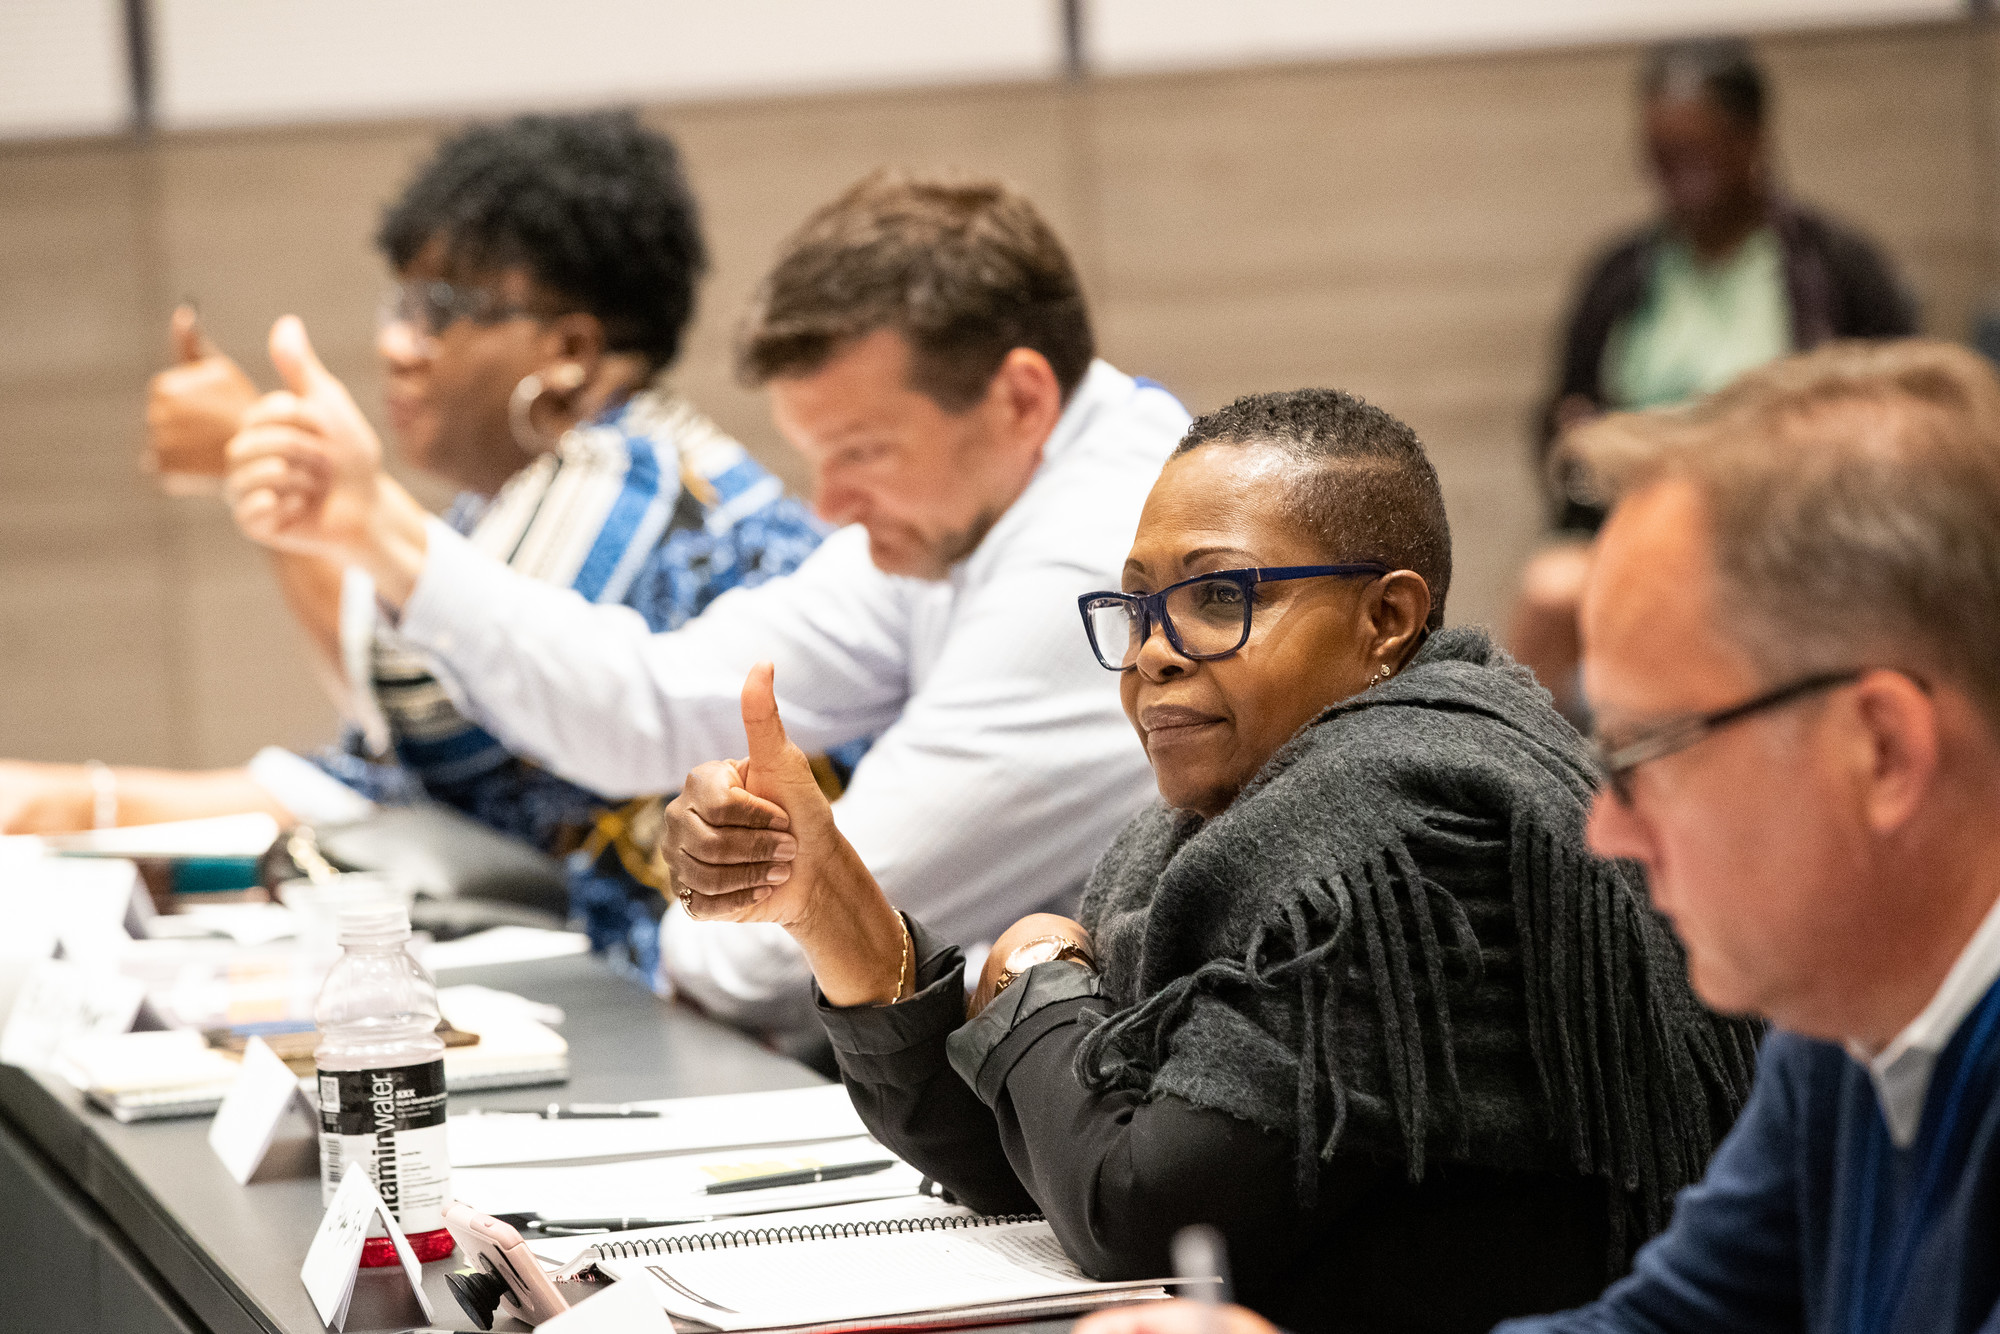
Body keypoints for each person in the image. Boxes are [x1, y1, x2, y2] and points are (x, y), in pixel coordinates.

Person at [660, 388, 1761, 1333]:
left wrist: (1037, 972)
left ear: (1385, 619)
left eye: (1217, 598)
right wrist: (828, 902)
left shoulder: (1408, 831)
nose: (1151, 651)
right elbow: (1027, 1156)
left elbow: (1139, 1209)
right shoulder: (1218, 833)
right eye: (1139, 604)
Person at [1077, 340, 2000, 1333]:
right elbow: (1666, 1325)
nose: (1605, 827)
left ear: (1880, 751)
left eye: (1647, 752)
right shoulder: (1841, 1019)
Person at [220, 172, 1191, 1041]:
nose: (829, 505)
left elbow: (796, 940)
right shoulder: (970, 509)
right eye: (820, 458)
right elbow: (656, 698)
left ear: (1019, 398)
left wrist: (669, 911)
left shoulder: (1090, 565)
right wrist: (375, 532)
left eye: (863, 451)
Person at [0, 111, 833, 985]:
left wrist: (290, 479)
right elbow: (390, 739)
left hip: (713, 1002)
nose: (396, 344)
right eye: (399, 305)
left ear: (570, 350)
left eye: (439, 311)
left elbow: (430, 727)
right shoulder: (531, 489)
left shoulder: (631, 474)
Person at [1509, 36, 1916, 723]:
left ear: (1751, 138)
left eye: (1692, 152)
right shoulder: (1621, 274)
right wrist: (1574, 436)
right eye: (1658, 155)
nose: (1672, 174)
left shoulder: (1834, 266)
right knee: (1549, 592)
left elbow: (1902, 416)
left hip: (1793, 529)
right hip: (1641, 521)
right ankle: (1536, 779)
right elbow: (1560, 418)